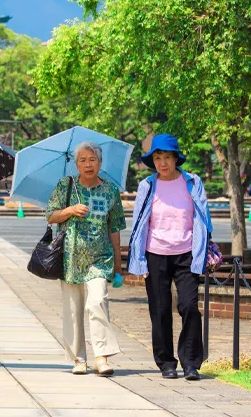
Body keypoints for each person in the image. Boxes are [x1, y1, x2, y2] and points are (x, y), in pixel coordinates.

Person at [127, 134, 212, 381]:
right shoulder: (148, 186)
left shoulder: (192, 183)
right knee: (160, 309)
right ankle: (166, 362)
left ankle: (191, 363)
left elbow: (203, 219)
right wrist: (140, 260)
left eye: (167, 157)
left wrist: (201, 255)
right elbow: (139, 224)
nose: (162, 163)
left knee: (189, 307)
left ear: (176, 158)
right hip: (155, 254)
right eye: (157, 158)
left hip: (186, 253)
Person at [45, 141, 125, 376]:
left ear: (100, 163)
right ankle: (79, 358)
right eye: (82, 160)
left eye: (92, 160)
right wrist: (70, 210)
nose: (88, 164)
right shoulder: (65, 185)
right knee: (73, 310)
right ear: (76, 164)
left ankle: (101, 357)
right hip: (70, 258)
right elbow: (50, 215)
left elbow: (116, 228)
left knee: (97, 301)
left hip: (100, 258)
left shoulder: (110, 190)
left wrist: (118, 267)